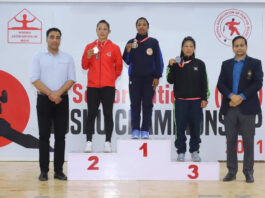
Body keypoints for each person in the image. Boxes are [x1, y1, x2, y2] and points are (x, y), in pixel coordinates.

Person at [30, 27, 76, 181]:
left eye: (57, 37)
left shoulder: (68, 58)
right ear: (47, 39)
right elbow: (35, 79)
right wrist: (51, 94)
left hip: (62, 101)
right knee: (43, 136)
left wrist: (58, 93)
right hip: (44, 100)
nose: (55, 40)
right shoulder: (38, 57)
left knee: (60, 137)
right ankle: (44, 171)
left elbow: (71, 79)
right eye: (52, 37)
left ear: (60, 40)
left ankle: (58, 171)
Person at [217, 36, 263, 183]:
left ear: (246, 47)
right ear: (233, 48)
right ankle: (231, 171)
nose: (239, 48)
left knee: (248, 141)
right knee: (230, 141)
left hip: (247, 108)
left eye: (242, 45)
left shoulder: (255, 63)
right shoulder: (226, 64)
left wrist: (241, 97)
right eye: (236, 45)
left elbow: (258, 83)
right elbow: (220, 83)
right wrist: (231, 96)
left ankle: (248, 172)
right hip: (230, 108)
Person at [82, 20, 123, 153]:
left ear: (109, 31)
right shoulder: (90, 47)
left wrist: (111, 79)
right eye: (99, 29)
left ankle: (108, 142)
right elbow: (84, 65)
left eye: (105, 29)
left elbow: (119, 67)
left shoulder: (114, 48)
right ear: (96, 31)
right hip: (93, 87)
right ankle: (88, 142)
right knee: (91, 115)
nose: (102, 31)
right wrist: (88, 56)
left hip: (108, 87)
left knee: (107, 114)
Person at [167, 36, 209, 162]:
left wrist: (204, 98)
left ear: (194, 48)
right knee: (179, 128)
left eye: (191, 46)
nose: (188, 48)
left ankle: (195, 151)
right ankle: (181, 152)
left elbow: (204, 82)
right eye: (186, 46)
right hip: (180, 101)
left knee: (196, 128)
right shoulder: (176, 63)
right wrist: (171, 66)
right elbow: (170, 80)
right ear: (182, 48)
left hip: (196, 102)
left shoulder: (200, 64)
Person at [123, 17, 163, 139]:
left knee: (147, 105)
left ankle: (145, 129)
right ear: (136, 27)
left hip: (149, 79)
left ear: (148, 27)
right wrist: (127, 50)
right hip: (134, 78)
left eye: (144, 24)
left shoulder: (153, 42)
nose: (141, 26)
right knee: (134, 104)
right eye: (139, 24)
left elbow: (159, 61)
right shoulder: (131, 42)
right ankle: (135, 129)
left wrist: (157, 76)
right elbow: (126, 60)